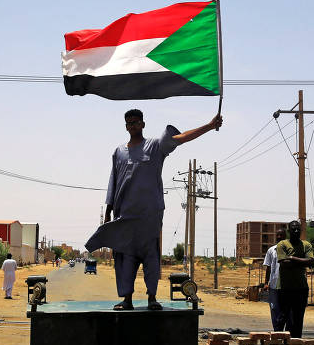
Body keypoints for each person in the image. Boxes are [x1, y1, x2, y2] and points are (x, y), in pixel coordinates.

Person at [86, 109, 223, 311]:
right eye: (129, 123)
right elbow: (112, 183)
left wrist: (210, 126)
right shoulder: (118, 152)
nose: (132, 125)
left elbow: (182, 138)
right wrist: (108, 213)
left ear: (143, 124)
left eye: (136, 122)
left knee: (151, 256)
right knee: (125, 258)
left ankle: (152, 298)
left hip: (149, 218)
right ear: (126, 126)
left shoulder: (155, 146)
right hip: (125, 217)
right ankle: (127, 299)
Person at [276, 220, 314, 338]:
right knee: (282, 317)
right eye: (293, 229)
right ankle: (277, 342)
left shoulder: (306, 245)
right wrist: (301, 261)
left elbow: (311, 261)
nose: (296, 231)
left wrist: (291, 258)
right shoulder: (282, 244)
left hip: (301, 288)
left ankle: (296, 344)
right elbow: (283, 263)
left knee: (298, 318)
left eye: (298, 229)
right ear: (289, 231)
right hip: (284, 287)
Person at [263, 227, 287, 331]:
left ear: (285, 236)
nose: (279, 237)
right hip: (273, 285)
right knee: (274, 308)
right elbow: (268, 267)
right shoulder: (271, 250)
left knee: (286, 310)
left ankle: (286, 333)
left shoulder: (289, 250)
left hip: (287, 285)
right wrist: (266, 283)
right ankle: (277, 331)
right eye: (277, 235)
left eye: (281, 235)